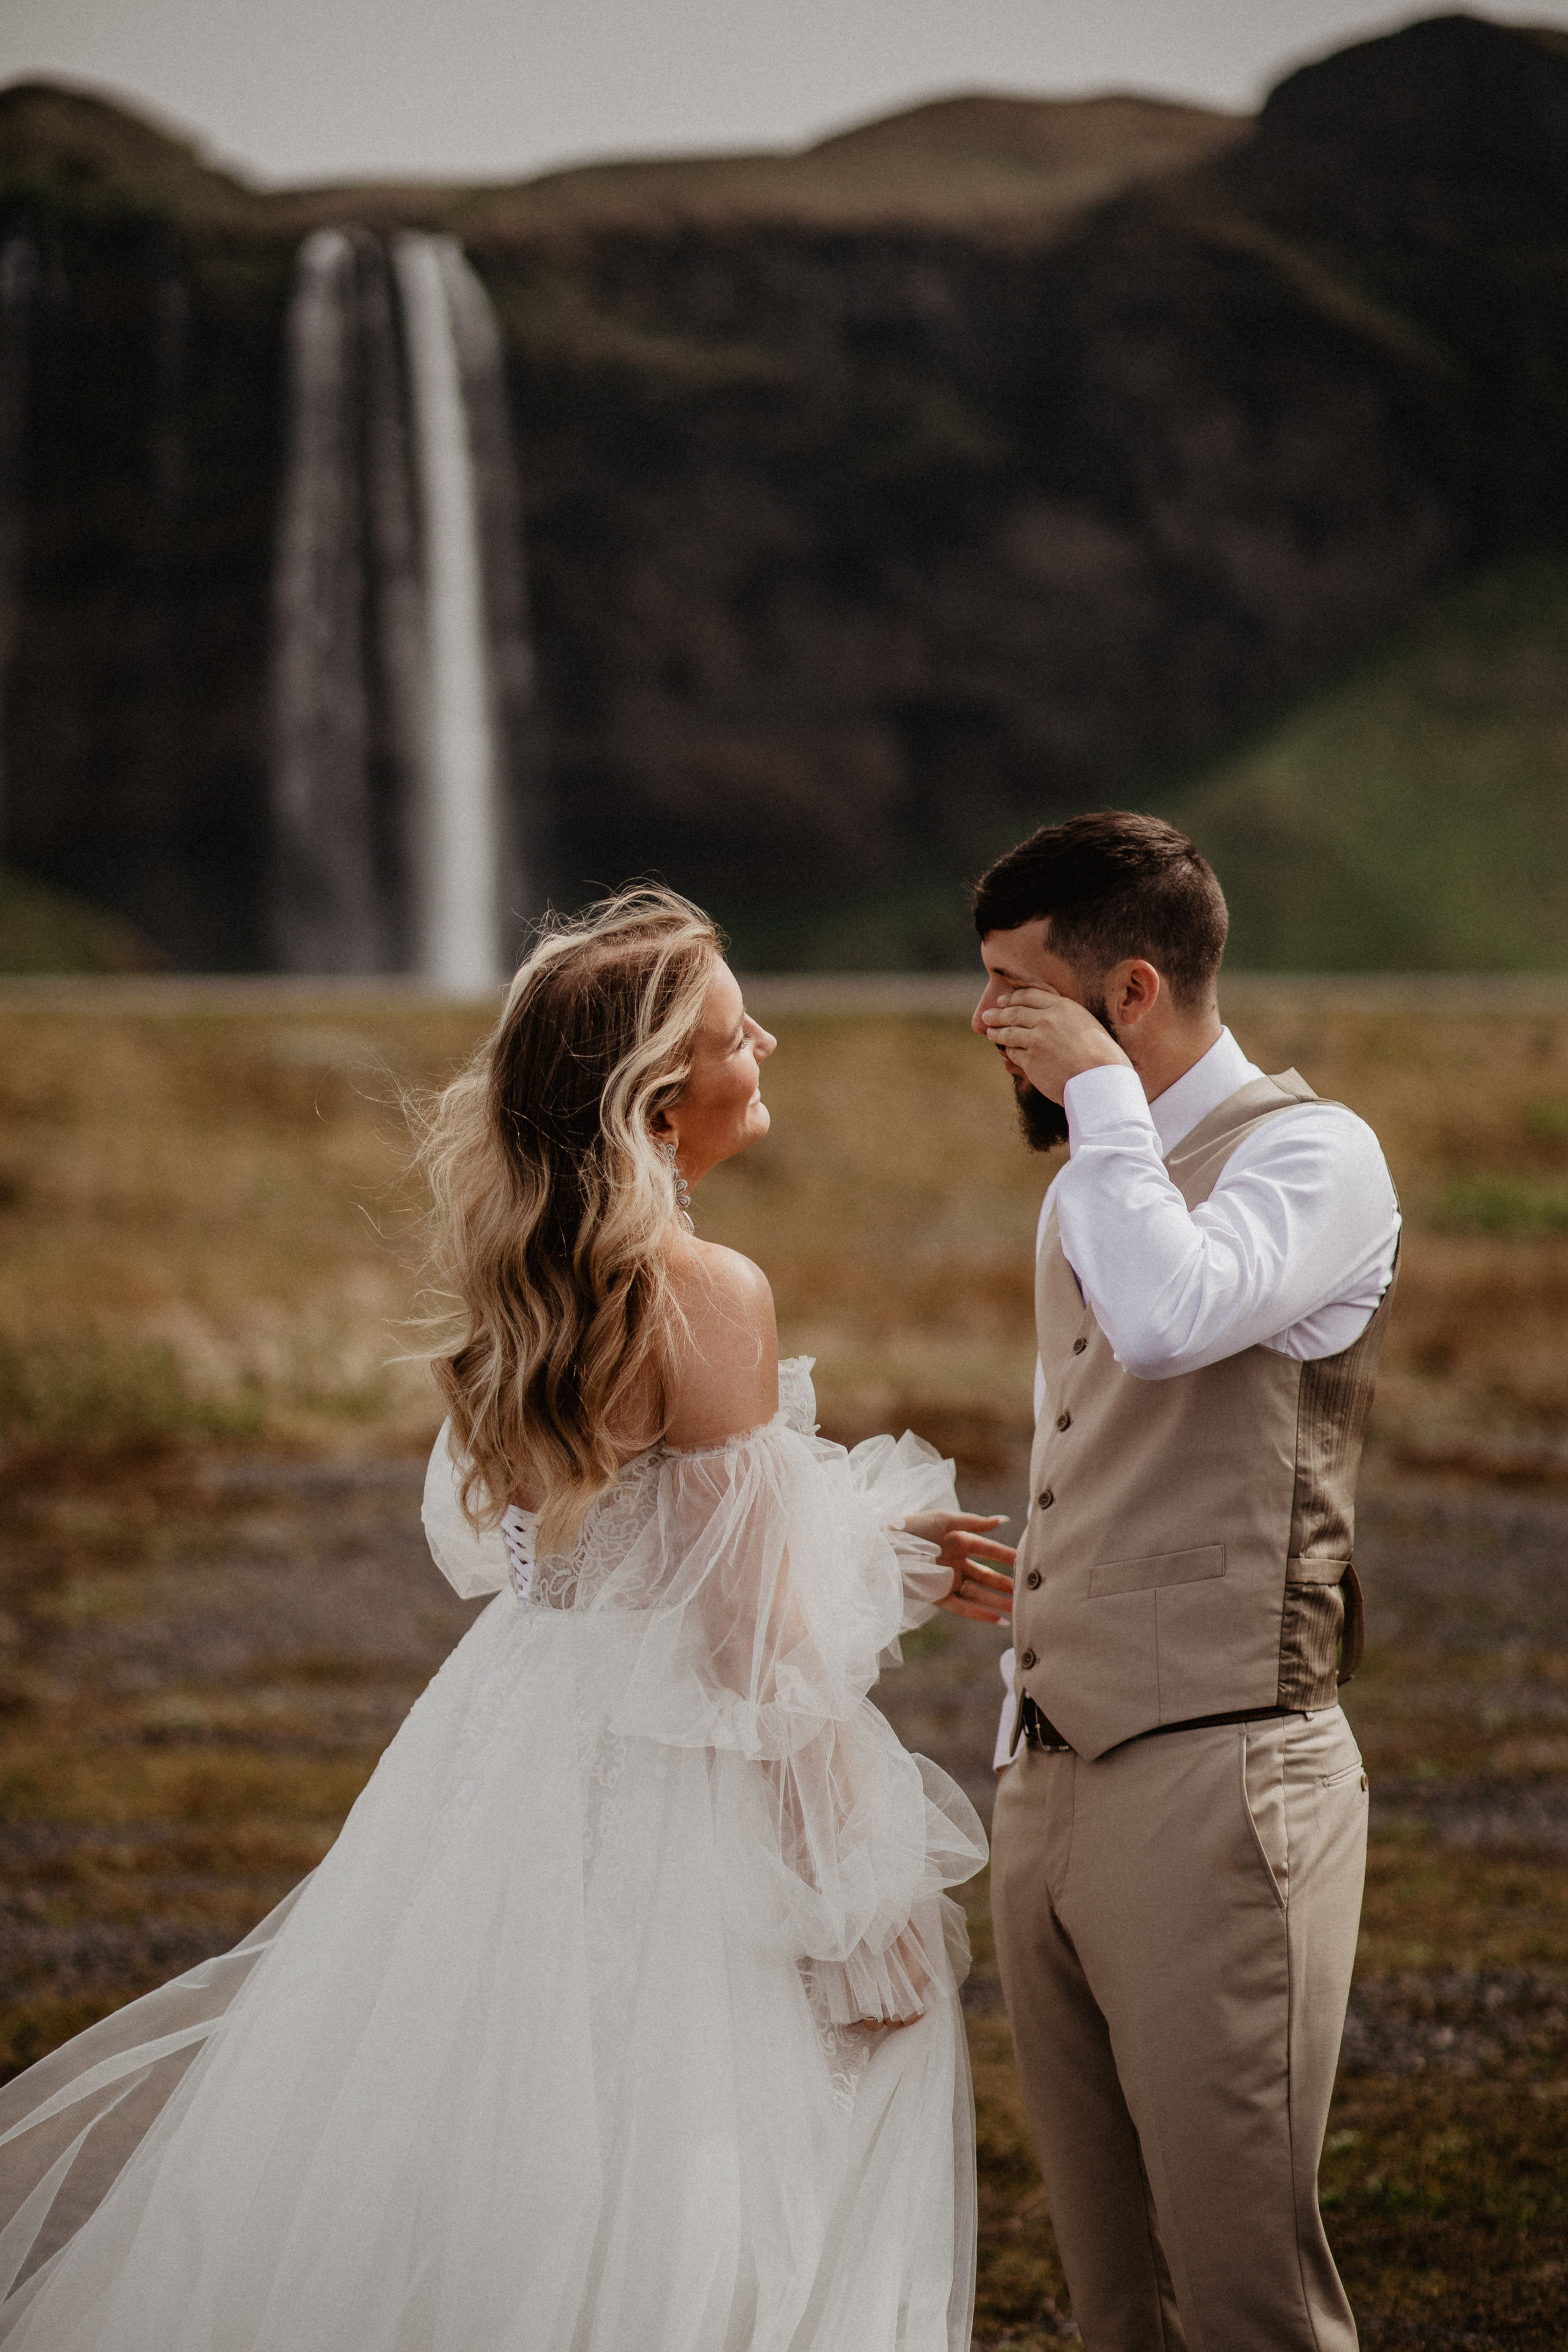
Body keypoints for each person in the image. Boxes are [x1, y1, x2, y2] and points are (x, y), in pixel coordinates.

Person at [0, 884, 1014, 2352]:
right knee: (706, 2160)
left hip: (514, 1760)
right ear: (661, 1105)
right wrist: (847, 1897)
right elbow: (741, 1654)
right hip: (684, 1808)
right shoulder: (705, 1291)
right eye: (740, 1035)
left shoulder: (529, 1290)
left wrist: (858, 1541)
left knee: (493, 2131)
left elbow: (599, 1569)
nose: (772, 1046)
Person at [973, 812, 1399, 2352]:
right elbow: (1115, 1447)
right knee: (1113, 2305)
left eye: (1016, 992)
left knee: (1245, 2299)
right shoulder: (1091, 1176)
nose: (986, 1026)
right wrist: (1037, 1592)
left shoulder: (1314, 1154)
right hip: (1049, 1783)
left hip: (1222, 1785)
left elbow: (1166, 1322)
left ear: (1128, 993)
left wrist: (1096, 1095)